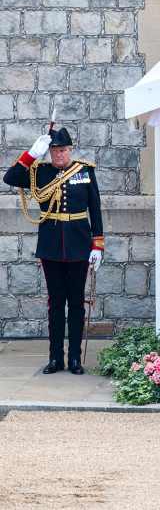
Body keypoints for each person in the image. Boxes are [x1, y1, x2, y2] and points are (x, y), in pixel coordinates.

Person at [3, 128, 104, 375]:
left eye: (63, 150)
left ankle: (75, 359)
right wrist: (31, 154)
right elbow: (11, 178)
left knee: (77, 304)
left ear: (70, 150)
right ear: (49, 152)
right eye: (54, 151)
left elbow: (95, 209)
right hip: (51, 246)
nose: (58, 154)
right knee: (56, 304)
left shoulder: (84, 171)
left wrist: (97, 245)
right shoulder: (40, 171)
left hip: (79, 246)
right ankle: (55, 358)